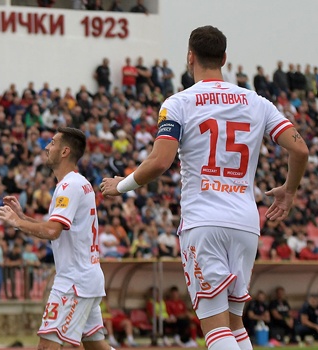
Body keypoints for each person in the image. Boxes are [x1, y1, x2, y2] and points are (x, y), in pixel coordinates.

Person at [100, 25, 309, 350]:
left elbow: (159, 161)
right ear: (224, 57)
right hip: (245, 222)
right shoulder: (257, 102)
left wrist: (121, 186)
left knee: (214, 326)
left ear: (189, 57)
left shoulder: (179, 102)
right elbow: (300, 149)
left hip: (204, 221)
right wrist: (290, 190)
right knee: (235, 324)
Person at [0, 127, 110, 350]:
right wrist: (23, 217)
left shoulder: (69, 186)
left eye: (52, 143)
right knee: (97, 348)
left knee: (47, 346)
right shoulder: (76, 183)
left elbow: (52, 232)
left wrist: (17, 222)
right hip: (85, 277)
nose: (47, 147)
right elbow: (55, 227)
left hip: (74, 281)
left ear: (65, 151)